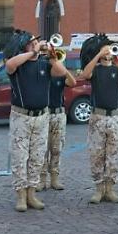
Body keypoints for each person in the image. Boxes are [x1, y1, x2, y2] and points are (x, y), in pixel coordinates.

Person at [4, 30, 67, 212]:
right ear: (24, 46)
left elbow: (61, 72)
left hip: (42, 117)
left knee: (37, 157)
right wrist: (33, 52)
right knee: (20, 157)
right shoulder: (18, 65)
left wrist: (53, 56)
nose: (36, 44)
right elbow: (9, 64)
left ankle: (32, 193)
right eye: (32, 42)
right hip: (21, 117)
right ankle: (21, 196)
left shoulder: (44, 63)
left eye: (36, 43)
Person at [81, 35, 118, 204]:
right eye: (106, 49)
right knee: (97, 153)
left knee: (114, 154)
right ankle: (98, 188)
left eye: (110, 49)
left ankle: (110, 189)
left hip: (115, 117)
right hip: (98, 116)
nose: (109, 52)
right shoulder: (96, 69)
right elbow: (84, 74)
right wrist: (98, 56)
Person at [38, 52, 76, 192]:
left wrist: (58, 64)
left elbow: (73, 82)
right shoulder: (42, 76)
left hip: (58, 114)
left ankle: (54, 178)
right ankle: (41, 179)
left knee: (57, 148)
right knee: (42, 149)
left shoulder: (60, 76)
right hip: (44, 114)